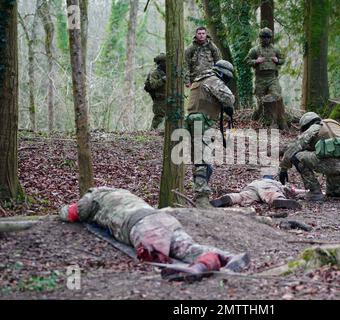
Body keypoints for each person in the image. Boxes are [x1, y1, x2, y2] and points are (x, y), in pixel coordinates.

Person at [59, 187, 249, 282]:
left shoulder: (94, 195)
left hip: (141, 225)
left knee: (159, 259)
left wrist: (62, 209)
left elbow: (72, 213)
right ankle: (227, 257)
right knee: (186, 247)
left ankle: (200, 268)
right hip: (162, 219)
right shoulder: (122, 193)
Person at [279, 112, 340, 202]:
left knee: (297, 157)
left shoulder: (314, 128)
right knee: (333, 191)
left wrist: (283, 168)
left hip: (331, 164)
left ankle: (314, 192)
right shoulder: (334, 128)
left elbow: (293, 149)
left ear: (306, 125)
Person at [185, 60, 235, 208]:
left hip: (193, 121)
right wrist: (227, 105)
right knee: (203, 160)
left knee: (202, 161)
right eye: (226, 77)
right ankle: (201, 198)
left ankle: (200, 195)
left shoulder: (199, 79)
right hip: (202, 122)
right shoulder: (213, 80)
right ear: (221, 73)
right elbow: (229, 98)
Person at [246, 28, 285, 125]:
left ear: (270, 38)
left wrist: (278, 61)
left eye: (268, 37)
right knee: (260, 101)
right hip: (260, 79)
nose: (266, 39)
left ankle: (275, 119)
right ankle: (258, 120)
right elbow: (247, 61)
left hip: (272, 78)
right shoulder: (255, 50)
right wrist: (256, 61)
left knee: (276, 95)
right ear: (260, 38)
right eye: (263, 37)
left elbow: (282, 59)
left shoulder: (275, 49)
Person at [211, 172, 302, 209]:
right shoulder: (273, 182)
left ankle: (228, 198)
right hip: (267, 187)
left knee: (242, 196)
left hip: (252, 187)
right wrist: (306, 191)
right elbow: (292, 191)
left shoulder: (256, 181)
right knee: (272, 194)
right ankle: (280, 201)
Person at [144, 53, 167, 130]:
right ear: (161, 63)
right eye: (165, 62)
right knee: (159, 117)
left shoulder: (168, 72)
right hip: (159, 99)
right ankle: (152, 132)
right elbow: (153, 85)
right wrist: (163, 80)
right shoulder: (155, 73)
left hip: (168, 97)